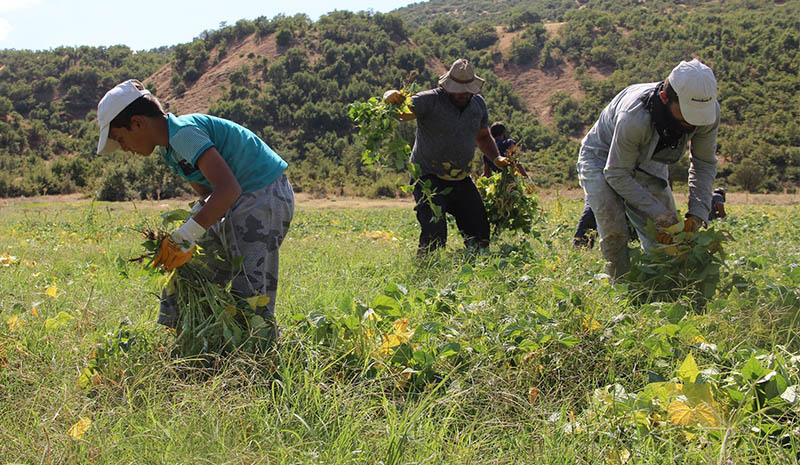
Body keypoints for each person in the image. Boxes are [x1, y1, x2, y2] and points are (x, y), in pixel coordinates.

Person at [96, 79, 294, 333]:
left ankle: (256, 347)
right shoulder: (171, 150)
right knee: (193, 268)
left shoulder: (183, 134)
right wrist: (186, 238)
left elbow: (228, 189)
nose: (124, 149)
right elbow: (208, 195)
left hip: (262, 193)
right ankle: (185, 335)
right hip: (236, 199)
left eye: (121, 139)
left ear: (137, 123)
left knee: (251, 284)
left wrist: (185, 235)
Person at [576, 59, 720, 278]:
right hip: (602, 157)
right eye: (686, 114)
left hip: (650, 160)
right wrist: (657, 212)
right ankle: (622, 289)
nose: (692, 124)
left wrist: (697, 213)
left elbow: (704, 163)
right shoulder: (634, 116)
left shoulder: (707, 114)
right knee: (614, 230)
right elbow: (616, 173)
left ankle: (662, 288)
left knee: (667, 236)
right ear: (665, 98)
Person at [383, 59, 511, 254]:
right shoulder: (429, 100)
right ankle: (427, 272)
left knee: (479, 230)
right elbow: (402, 113)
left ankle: (476, 268)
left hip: (461, 178)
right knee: (434, 232)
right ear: (448, 86)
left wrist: (496, 158)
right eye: (459, 89)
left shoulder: (477, 104)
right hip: (428, 176)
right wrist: (390, 97)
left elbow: (483, 136)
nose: (463, 94)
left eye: (467, 89)